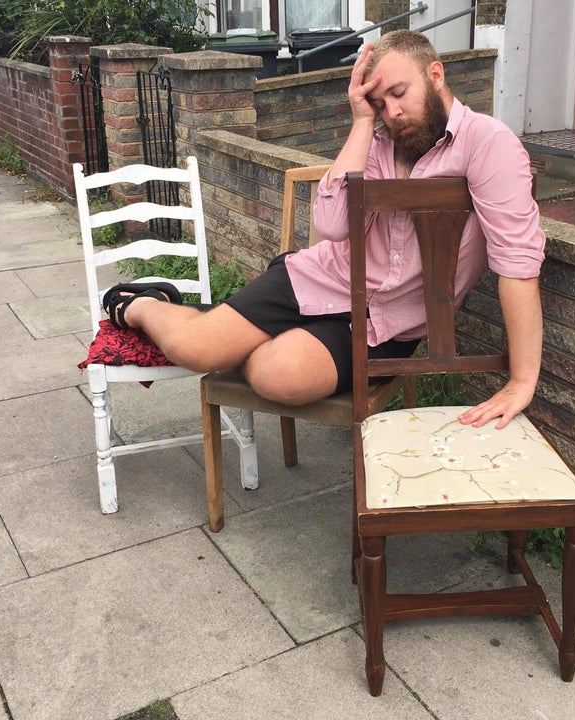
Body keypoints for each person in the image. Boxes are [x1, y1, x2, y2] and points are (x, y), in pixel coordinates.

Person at [102, 29, 544, 430]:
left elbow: (517, 263)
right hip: (318, 279)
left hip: (388, 324)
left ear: (435, 74)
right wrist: (361, 122)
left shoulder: (489, 144)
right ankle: (144, 303)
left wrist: (522, 381)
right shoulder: (377, 142)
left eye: (399, 93)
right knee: (193, 350)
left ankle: (233, 329)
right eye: (380, 103)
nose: (393, 112)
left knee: (278, 374)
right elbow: (332, 226)